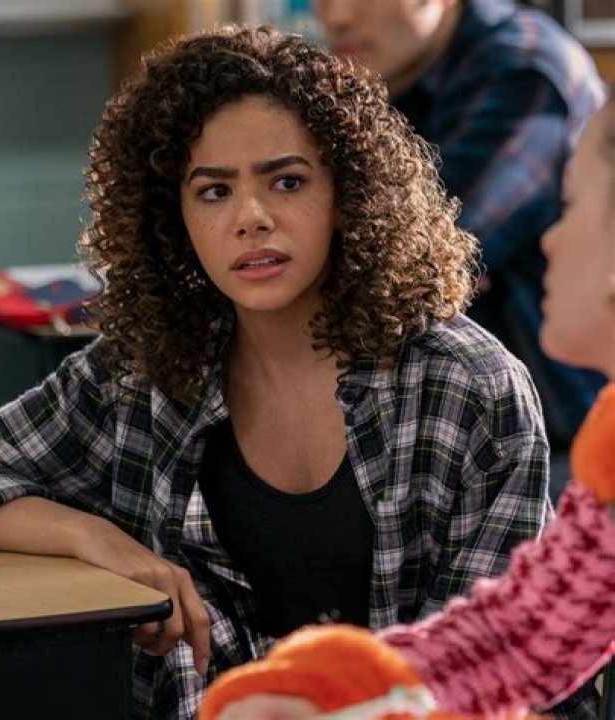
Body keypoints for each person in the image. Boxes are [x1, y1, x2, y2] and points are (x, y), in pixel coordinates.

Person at [0, 27, 557, 719]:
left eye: (287, 182)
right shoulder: (144, 372)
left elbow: (490, 674)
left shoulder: (467, 386)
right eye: (213, 191)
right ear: (173, 219)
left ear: (349, 195)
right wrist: (94, 539)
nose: (251, 218)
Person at [201, 91, 615, 720]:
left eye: (571, 206)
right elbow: (515, 641)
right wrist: (318, 694)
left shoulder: (472, 377)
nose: (550, 240)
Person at [313, 0, 608, 500]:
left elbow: (421, 262)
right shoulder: (382, 72)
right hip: (444, 428)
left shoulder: (524, 72)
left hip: (559, 441)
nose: (337, 17)